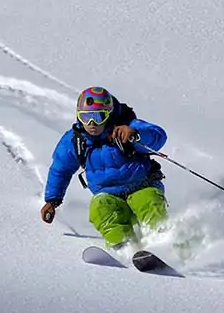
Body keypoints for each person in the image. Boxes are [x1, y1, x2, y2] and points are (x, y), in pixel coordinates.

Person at [40, 87, 168, 249]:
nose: (91, 124)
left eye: (98, 117)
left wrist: (136, 133)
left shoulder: (125, 127)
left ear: (108, 115)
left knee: (148, 202)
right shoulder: (75, 141)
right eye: (85, 117)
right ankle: (124, 247)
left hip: (142, 186)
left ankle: (163, 241)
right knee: (99, 208)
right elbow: (60, 169)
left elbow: (158, 136)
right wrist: (52, 200)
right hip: (109, 195)